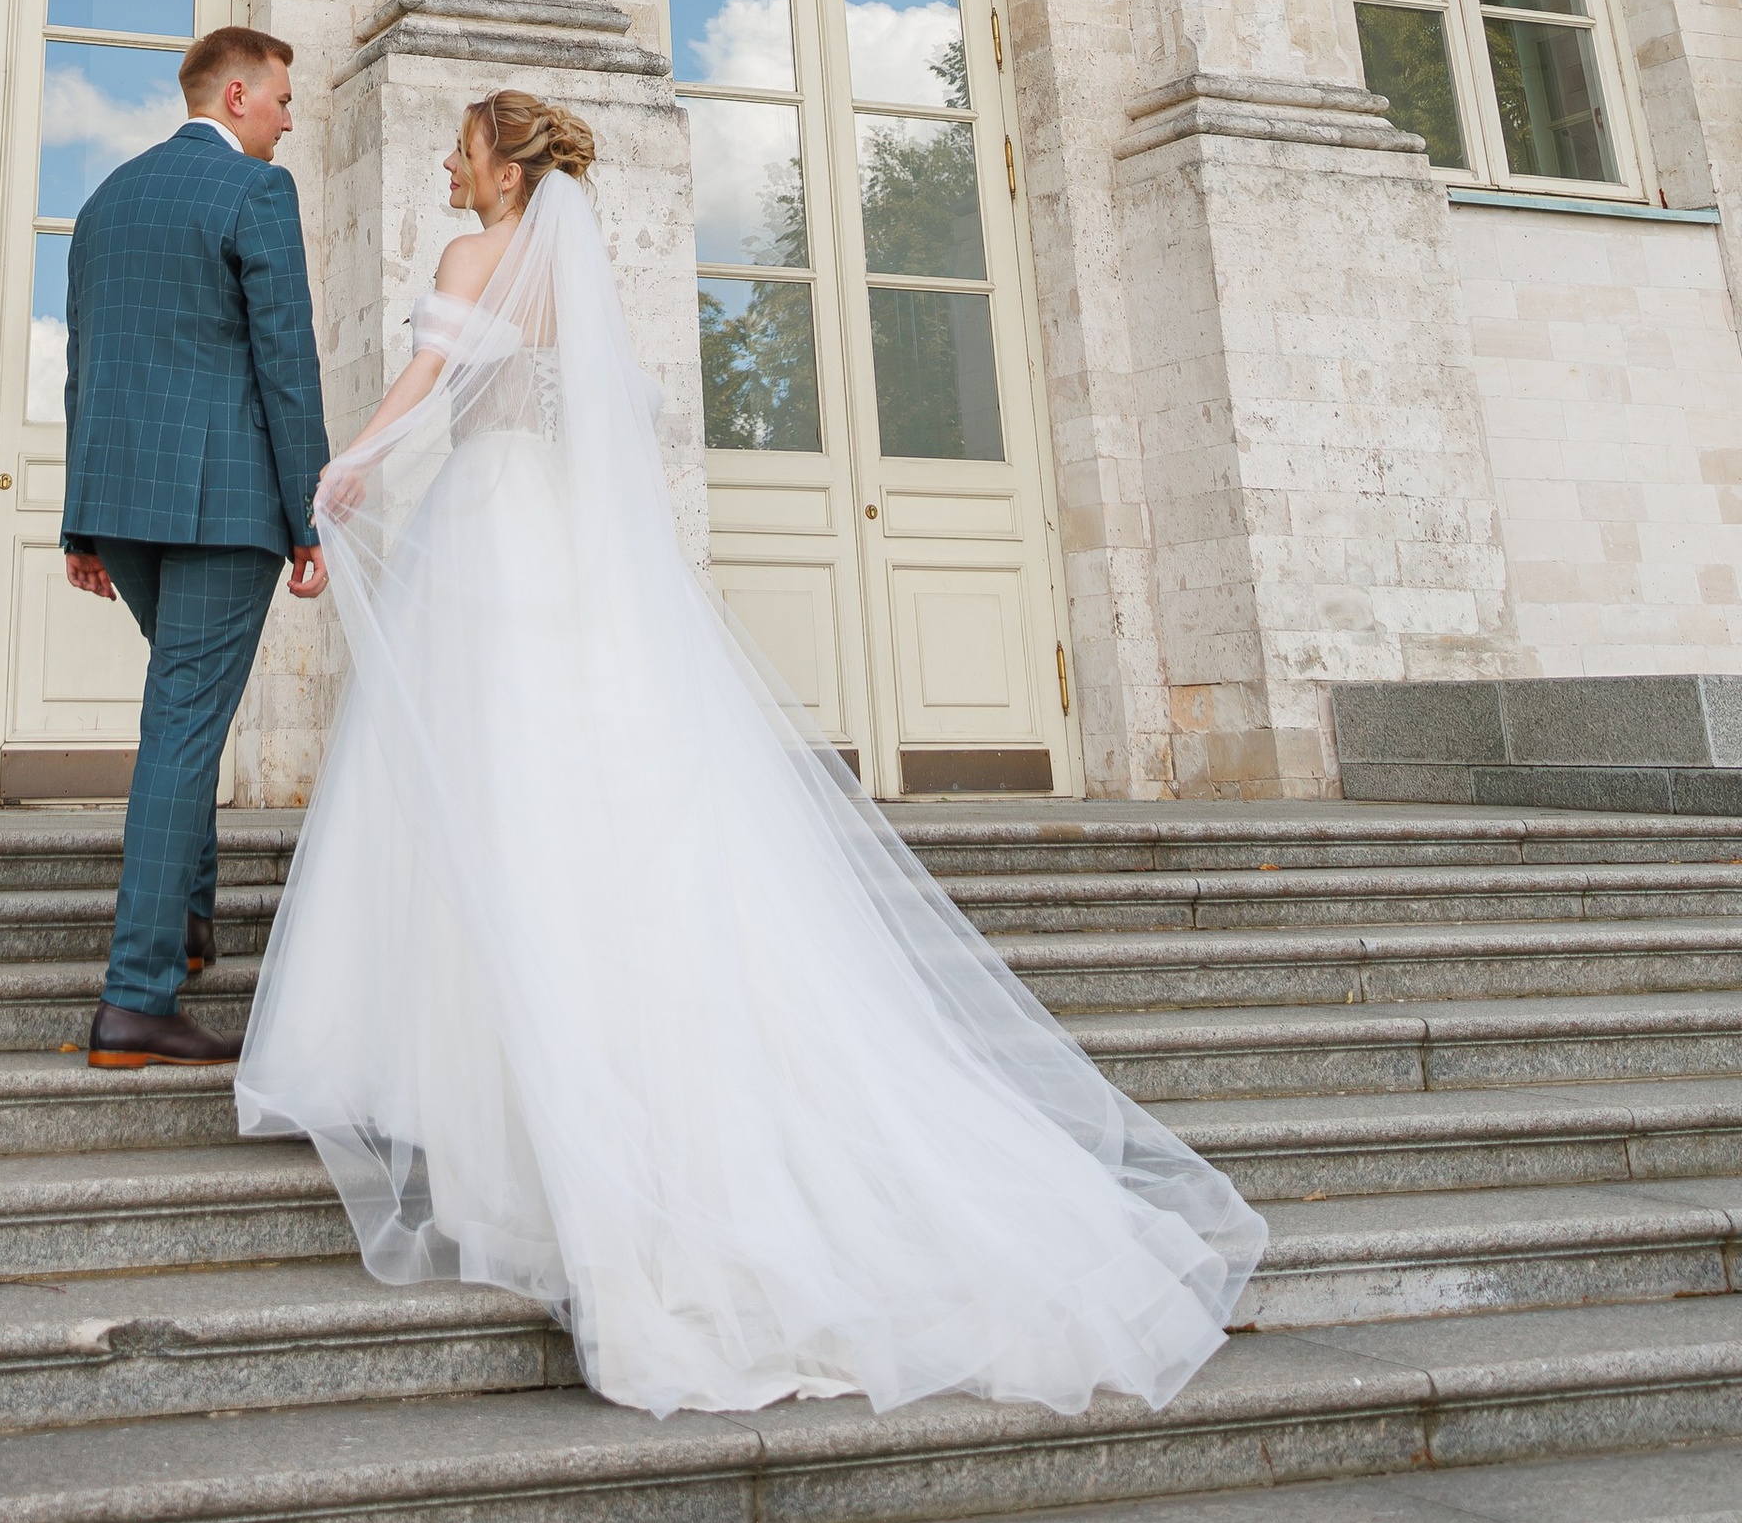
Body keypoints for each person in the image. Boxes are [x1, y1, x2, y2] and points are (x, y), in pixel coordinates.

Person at [235, 90, 1268, 1420]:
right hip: (570, 542)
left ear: (499, 169)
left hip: (489, 527)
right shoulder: (577, 269)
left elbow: (428, 387)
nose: (445, 161)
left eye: (459, 147)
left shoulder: (471, 258)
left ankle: (485, 1080)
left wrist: (345, 468)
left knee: (478, 794)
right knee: (580, 785)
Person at [60, 23, 330, 1069]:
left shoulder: (106, 198)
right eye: (281, 100)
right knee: (181, 726)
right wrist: (308, 515)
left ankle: (190, 924)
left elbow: (84, 362)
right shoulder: (256, 194)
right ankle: (135, 998)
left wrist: (81, 520)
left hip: (122, 502)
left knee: (183, 706)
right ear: (233, 96)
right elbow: (287, 357)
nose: (289, 119)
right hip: (221, 507)